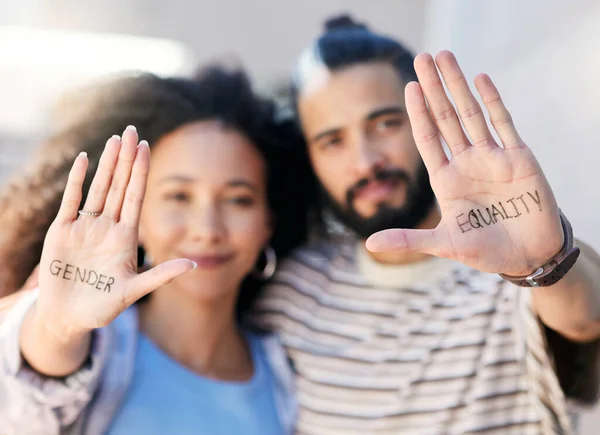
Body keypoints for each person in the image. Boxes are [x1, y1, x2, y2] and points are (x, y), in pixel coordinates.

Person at [252, 14, 600, 434]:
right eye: (332, 141)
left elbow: (585, 319)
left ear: (429, 123)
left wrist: (546, 260)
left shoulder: (509, 275)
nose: (365, 162)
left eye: (385, 124)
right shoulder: (293, 291)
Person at [0, 66, 312, 434]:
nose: (207, 230)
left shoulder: (289, 375)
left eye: (238, 200)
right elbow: (29, 397)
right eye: (178, 196)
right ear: (137, 215)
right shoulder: (94, 343)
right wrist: (59, 328)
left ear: (269, 223)